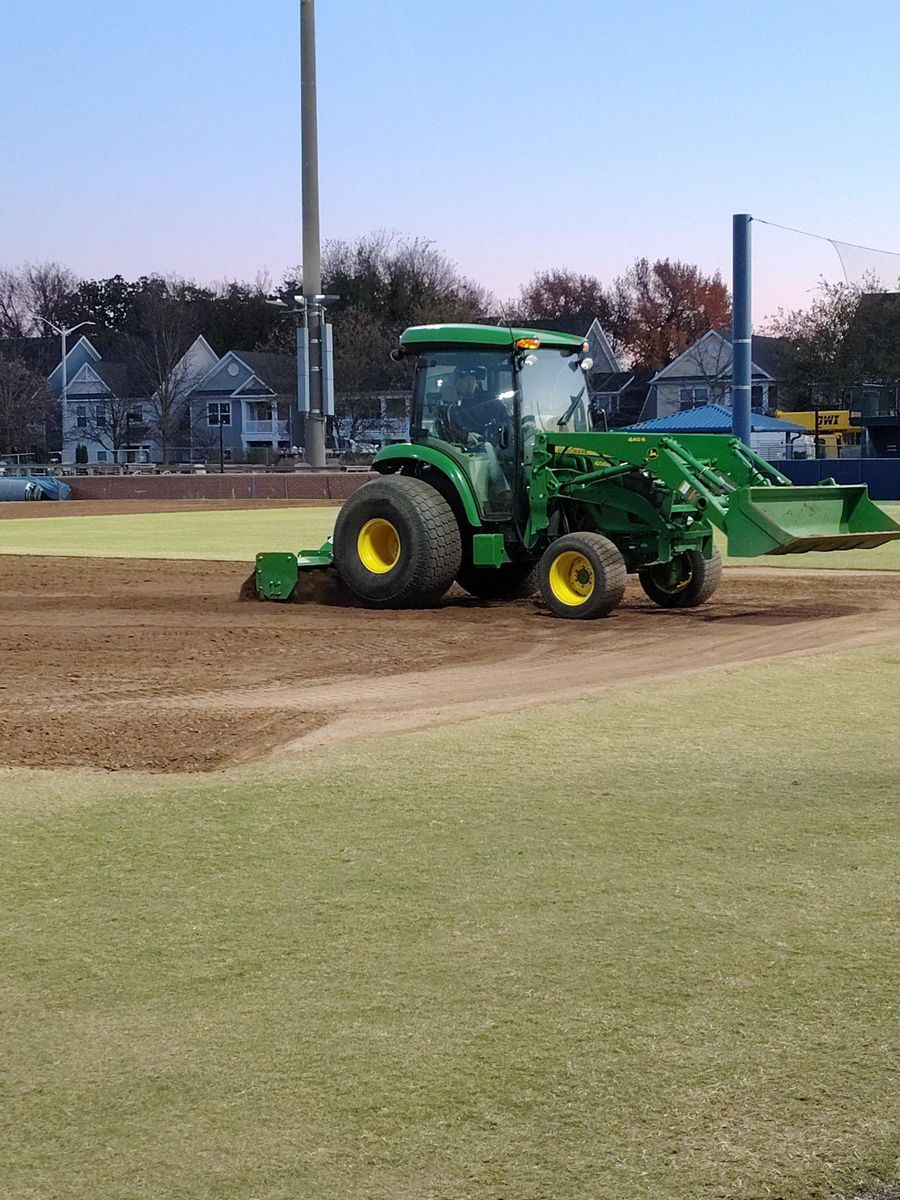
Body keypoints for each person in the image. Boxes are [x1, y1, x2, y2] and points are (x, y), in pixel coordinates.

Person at [446, 368, 511, 446]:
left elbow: (506, 418)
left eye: (472, 380)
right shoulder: (449, 408)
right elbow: (448, 429)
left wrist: (525, 422)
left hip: (491, 447)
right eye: (465, 381)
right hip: (458, 450)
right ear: (457, 383)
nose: (470, 384)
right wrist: (465, 436)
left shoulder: (489, 401)